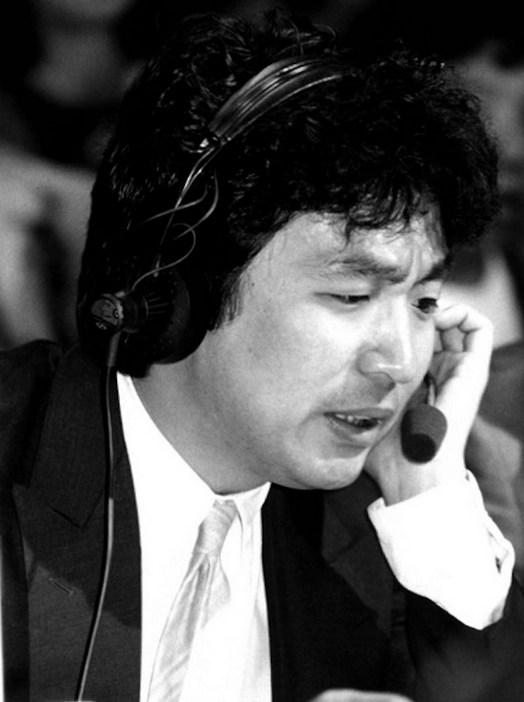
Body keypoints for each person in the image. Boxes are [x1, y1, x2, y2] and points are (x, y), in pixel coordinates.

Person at [1, 9, 524, 702]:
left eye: (424, 303)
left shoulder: (392, 535)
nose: (400, 362)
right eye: (350, 296)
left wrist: (425, 492)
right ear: (173, 286)